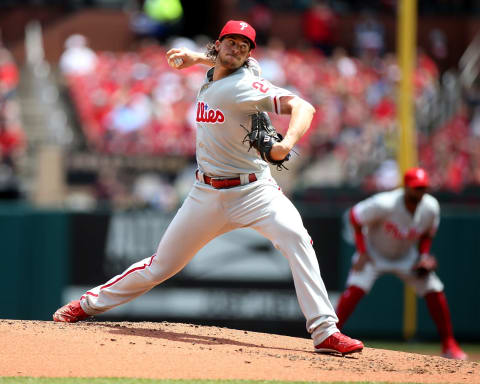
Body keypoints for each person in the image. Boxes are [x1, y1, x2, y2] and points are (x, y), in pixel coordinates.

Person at [53, 20, 364, 355]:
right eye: (231, 42)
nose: (237, 49)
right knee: (161, 265)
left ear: (249, 55)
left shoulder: (244, 84)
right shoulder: (217, 69)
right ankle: (86, 305)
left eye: (244, 47)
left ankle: (325, 331)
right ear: (218, 45)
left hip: (255, 192)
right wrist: (194, 57)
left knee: (297, 239)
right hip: (206, 194)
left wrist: (286, 143)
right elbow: (219, 62)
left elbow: (304, 107)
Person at [336, 167, 467, 360]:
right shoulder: (385, 203)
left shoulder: (431, 207)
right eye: (416, 188)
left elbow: (428, 234)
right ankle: (330, 334)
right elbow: (355, 216)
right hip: (374, 253)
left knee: (434, 289)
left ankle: (449, 344)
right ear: (406, 188)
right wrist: (362, 251)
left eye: (423, 188)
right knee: (356, 288)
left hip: (407, 256)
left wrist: (423, 255)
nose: (419, 192)